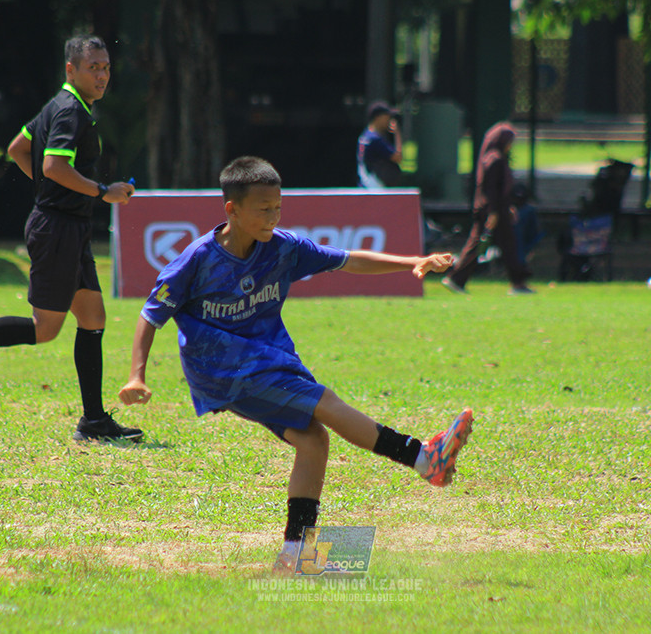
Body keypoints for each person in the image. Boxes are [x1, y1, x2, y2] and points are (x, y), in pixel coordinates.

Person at [117, 156, 474, 572]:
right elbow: (150, 314)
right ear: (231, 209)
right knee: (325, 401)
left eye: (278, 207)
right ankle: (422, 457)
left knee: (313, 440)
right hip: (224, 366)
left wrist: (411, 261)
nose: (272, 216)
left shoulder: (284, 248)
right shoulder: (198, 259)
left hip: (263, 359)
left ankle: (296, 557)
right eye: (263, 209)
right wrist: (136, 375)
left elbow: (348, 259)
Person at [0, 34, 142, 442]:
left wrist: (52, 188)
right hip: (57, 229)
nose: (102, 75)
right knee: (45, 329)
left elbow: (18, 148)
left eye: (106, 67)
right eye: (93, 67)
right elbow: (54, 165)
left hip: (67, 226)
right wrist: (99, 191)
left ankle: (93, 421)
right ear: (71, 69)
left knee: (93, 318)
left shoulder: (62, 106)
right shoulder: (71, 111)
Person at [441, 122, 533, 295]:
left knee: (493, 245)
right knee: (486, 245)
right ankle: (517, 283)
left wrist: (508, 207)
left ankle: (457, 279)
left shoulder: (495, 158)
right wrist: (493, 212)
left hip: (498, 210)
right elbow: (490, 189)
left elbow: (500, 189)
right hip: (492, 212)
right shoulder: (494, 160)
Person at [356, 101, 402, 189]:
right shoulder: (375, 139)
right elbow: (398, 157)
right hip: (374, 186)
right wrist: (397, 132)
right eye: (387, 116)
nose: (389, 119)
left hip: (365, 183)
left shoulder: (365, 135)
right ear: (378, 117)